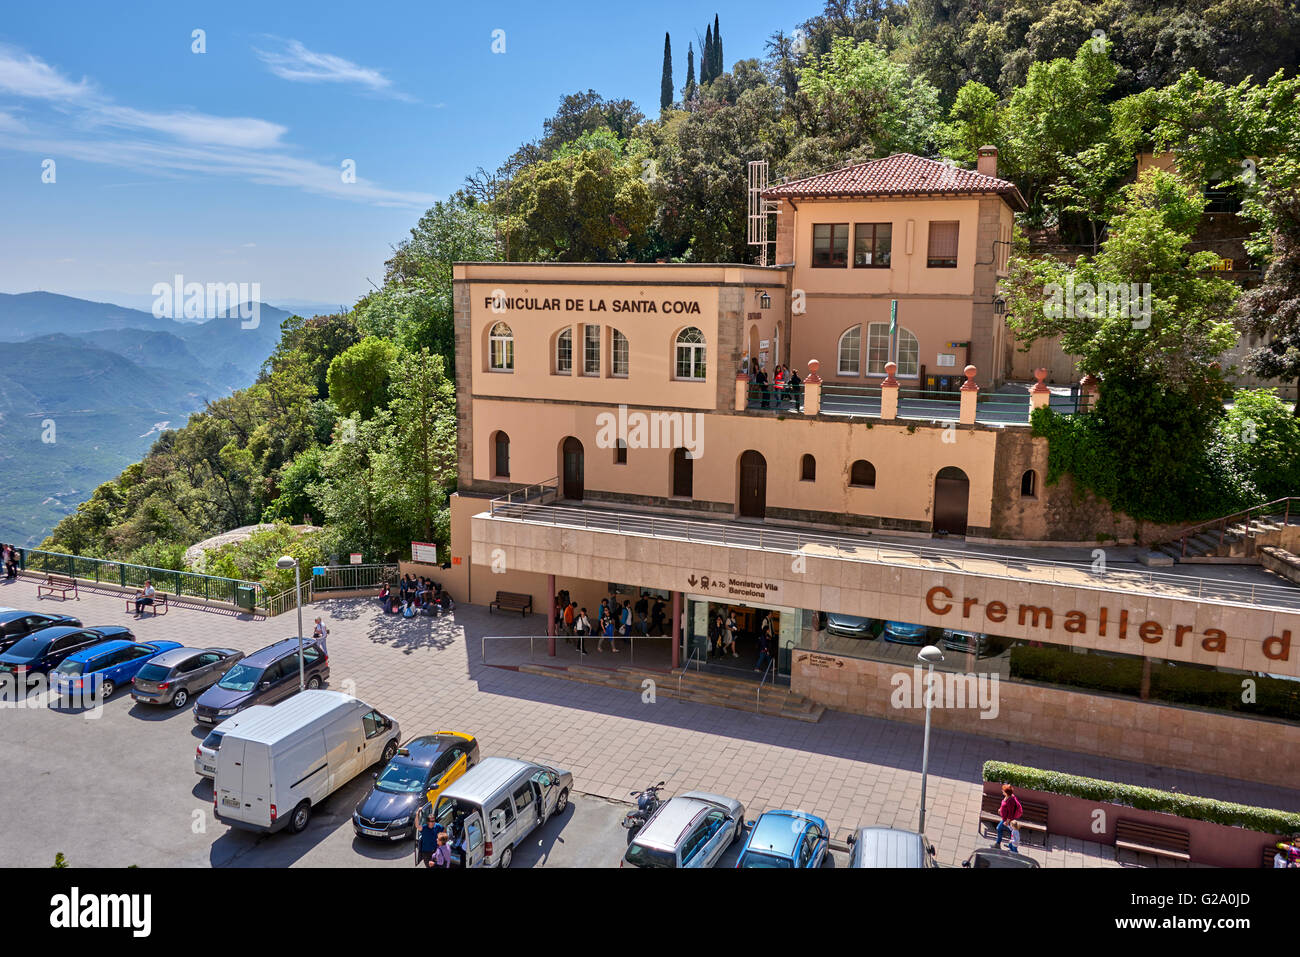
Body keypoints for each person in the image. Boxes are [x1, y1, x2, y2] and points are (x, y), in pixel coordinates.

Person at [994, 783, 1023, 851]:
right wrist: (1000, 809)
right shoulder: (1007, 796)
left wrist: (1007, 822)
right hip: (1005, 819)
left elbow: (1010, 812)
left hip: (1008, 820)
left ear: (1006, 792)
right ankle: (1010, 845)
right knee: (1011, 832)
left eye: (1003, 790)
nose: (1002, 791)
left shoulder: (1011, 800)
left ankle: (1013, 849)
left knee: (1000, 829)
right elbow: (1003, 804)